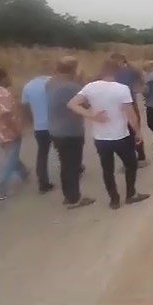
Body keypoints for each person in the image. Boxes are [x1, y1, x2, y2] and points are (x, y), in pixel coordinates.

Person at [67, 59, 150, 210]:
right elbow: (130, 114)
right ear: (117, 72)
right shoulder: (121, 89)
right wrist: (138, 132)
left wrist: (91, 115)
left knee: (107, 169)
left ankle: (114, 199)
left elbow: (72, 104)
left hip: (100, 137)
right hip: (120, 136)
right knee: (131, 164)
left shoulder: (90, 87)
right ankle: (130, 194)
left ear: (102, 71)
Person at [46, 56, 96, 209]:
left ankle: (68, 196)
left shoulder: (50, 84)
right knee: (73, 165)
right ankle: (74, 198)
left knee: (65, 164)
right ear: (73, 69)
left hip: (55, 130)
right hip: (71, 131)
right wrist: (81, 82)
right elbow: (87, 104)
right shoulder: (73, 87)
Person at [0, 68, 30, 203]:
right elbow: (6, 114)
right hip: (7, 130)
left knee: (11, 155)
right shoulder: (3, 93)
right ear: (2, 78)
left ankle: (24, 173)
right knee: (10, 159)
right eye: (8, 77)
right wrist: (16, 128)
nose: (10, 80)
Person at [21, 61, 55, 194]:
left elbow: (25, 108)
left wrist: (32, 121)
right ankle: (74, 172)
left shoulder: (27, 86)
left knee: (42, 154)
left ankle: (43, 182)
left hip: (40, 126)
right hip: (56, 123)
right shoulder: (53, 83)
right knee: (65, 152)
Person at [111, 53, 148, 166]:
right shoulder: (114, 71)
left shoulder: (132, 70)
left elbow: (141, 82)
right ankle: (130, 158)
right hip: (117, 105)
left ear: (122, 60)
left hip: (130, 103)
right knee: (123, 132)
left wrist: (138, 89)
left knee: (134, 129)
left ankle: (141, 156)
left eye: (115, 61)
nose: (114, 64)